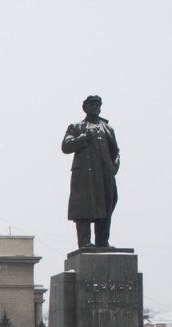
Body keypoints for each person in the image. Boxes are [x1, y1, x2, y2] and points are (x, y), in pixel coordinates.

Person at [62, 95, 120, 248]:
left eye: (97, 104)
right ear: (85, 108)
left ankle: (102, 241)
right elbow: (66, 146)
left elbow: (115, 152)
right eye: (91, 104)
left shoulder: (107, 128)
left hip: (105, 175)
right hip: (85, 176)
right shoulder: (76, 127)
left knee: (106, 208)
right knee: (84, 209)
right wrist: (84, 137)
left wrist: (114, 168)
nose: (95, 107)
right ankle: (85, 242)